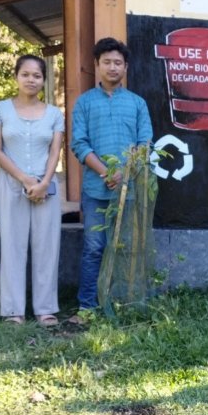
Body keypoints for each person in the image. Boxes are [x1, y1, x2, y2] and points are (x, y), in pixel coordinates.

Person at [69, 38, 152, 322]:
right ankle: (87, 307)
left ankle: (121, 304)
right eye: (107, 62)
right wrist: (105, 172)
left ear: (125, 67)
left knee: (126, 247)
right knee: (94, 248)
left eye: (118, 62)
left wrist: (123, 173)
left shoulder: (137, 103)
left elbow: (144, 144)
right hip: (95, 190)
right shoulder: (84, 103)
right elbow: (79, 144)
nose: (113, 67)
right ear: (97, 65)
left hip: (128, 191)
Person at [0, 55, 64, 325]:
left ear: (43, 79)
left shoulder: (54, 114)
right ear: (16, 76)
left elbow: (55, 152)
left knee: (47, 246)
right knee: (12, 245)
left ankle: (45, 308)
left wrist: (42, 182)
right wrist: (25, 179)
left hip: (46, 185)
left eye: (37, 75)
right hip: (10, 184)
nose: (31, 80)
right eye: (26, 74)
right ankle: (12, 310)